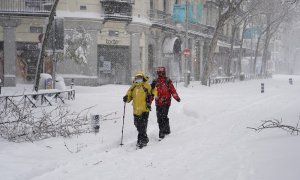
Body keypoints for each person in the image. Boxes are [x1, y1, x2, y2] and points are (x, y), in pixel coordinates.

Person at [123, 71, 152, 148]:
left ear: (142, 78)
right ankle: (145, 138)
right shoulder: (133, 87)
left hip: (144, 110)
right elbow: (129, 95)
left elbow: (153, 92)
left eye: (140, 78)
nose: (138, 79)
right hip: (136, 110)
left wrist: (151, 98)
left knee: (142, 126)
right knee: (137, 125)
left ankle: (141, 141)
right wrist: (126, 98)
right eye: (137, 78)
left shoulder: (146, 86)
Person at [151, 67, 181, 139]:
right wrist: (149, 101)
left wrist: (176, 97)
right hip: (158, 102)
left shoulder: (167, 81)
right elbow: (151, 93)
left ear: (164, 72)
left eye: (161, 72)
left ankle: (162, 132)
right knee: (159, 118)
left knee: (163, 116)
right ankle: (166, 129)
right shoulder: (155, 81)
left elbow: (172, 90)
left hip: (166, 102)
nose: (160, 73)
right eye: (159, 72)